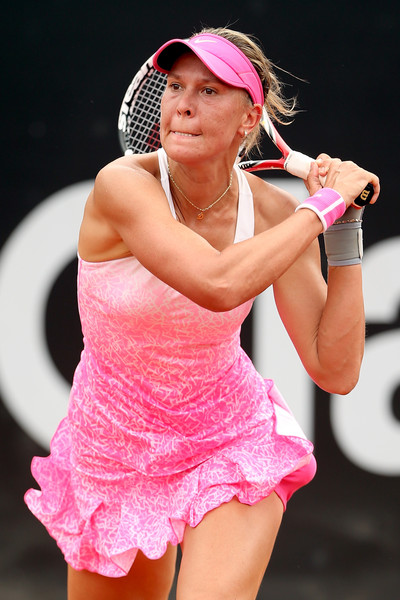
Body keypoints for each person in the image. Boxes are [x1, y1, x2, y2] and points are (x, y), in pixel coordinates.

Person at [25, 26, 379, 600]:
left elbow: (335, 369)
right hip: (112, 445)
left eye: (210, 91)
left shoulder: (272, 214)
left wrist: (345, 228)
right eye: (176, 88)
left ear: (249, 119)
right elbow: (216, 285)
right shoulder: (123, 185)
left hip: (228, 438)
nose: (183, 104)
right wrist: (320, 207)